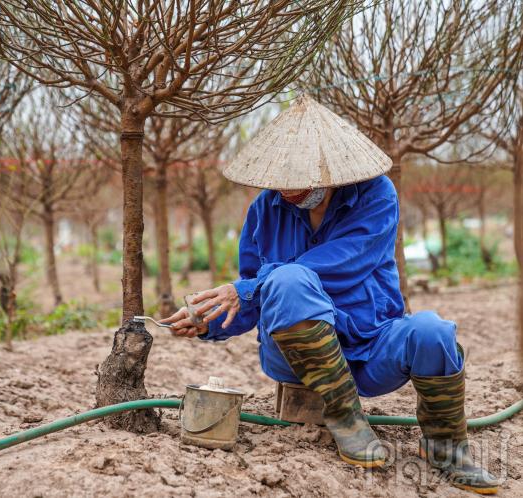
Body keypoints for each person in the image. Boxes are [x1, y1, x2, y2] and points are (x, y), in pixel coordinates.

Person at [161, 96, 499, 495]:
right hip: (296, 357)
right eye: (279, 180)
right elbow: (255, 292)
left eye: (298, 179)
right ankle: (346, 419)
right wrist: (207, 321)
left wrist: (250, 288)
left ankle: (444, 445)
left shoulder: (377, 196)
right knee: (286, 283)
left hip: (370, 347)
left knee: (433, 331)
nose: (286, 190)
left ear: (332, 172)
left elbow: (346, 262)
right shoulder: (264, 210)